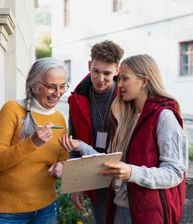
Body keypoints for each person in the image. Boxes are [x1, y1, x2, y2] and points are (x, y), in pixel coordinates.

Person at [61, 54, 188, 224]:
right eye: (119, 78)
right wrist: (81, 146)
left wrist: (131, 172)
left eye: (124, 79)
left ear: (144, 81)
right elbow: (113, 163)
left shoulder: (164, 117)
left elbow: (175, 173)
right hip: (119, 208)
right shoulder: (125, 116)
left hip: (148, 213)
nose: (118, 84)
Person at [0, 57, 70, 224]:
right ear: (35, 85)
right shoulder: (12, 110)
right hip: (8, 213)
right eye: (51, 87)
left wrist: (61, 166)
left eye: (62, 87)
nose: (58, 93)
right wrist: (32, 143)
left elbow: (62, 157)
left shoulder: (59, 118)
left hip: (46, 209)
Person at [63, 40, 124, 224]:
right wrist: (76, 184)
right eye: (96, 71)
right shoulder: (77, 99)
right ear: (90, 65)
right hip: (95, 175)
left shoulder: (126, 97)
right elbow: (74, 143)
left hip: (124, 175)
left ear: (117, 71)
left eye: (107, 73)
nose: (100, 78)